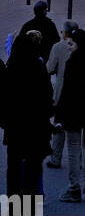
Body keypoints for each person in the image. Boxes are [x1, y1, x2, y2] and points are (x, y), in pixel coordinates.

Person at [1, 32, 53, 196]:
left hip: (15, 130)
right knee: (32, 173)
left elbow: (3, 100)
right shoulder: (38, 68)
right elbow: (47, 96)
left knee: (14, 172)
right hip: (35, 130)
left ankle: (13, 209)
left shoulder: (11, 69)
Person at [56, 29, 85, 203]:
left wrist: (59, 116)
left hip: (74, 112)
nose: (69, 47)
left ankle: (74, 188)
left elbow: (66, 91)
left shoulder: (73, 63)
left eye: (71, 43)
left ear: (78, 43)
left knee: (74, 149)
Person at [45, 20, 78, 168]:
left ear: (64, 33)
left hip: (61, 91)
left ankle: (56, 158)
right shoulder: (82, 46)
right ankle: (79, 159)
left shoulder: (58, 47)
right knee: (76, 129)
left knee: (59, 127)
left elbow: (50, 68)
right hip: (77, 92)